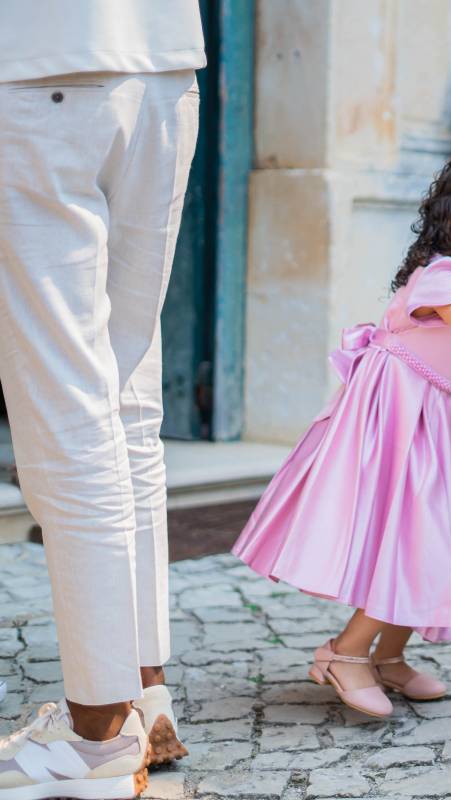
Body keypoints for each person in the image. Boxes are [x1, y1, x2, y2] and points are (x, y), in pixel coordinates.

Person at [232, 157, 451, 718]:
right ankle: (346, 654)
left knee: (424, 536)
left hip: (427, 421)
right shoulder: (446, 277)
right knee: (400, 535)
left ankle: (389, 657)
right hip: (387, 420)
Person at [0, 3, 204, 797]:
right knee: (123, 395)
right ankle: (143, 689)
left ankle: (97, 733)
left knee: (65, 403)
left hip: (40, 66)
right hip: (164, 72)